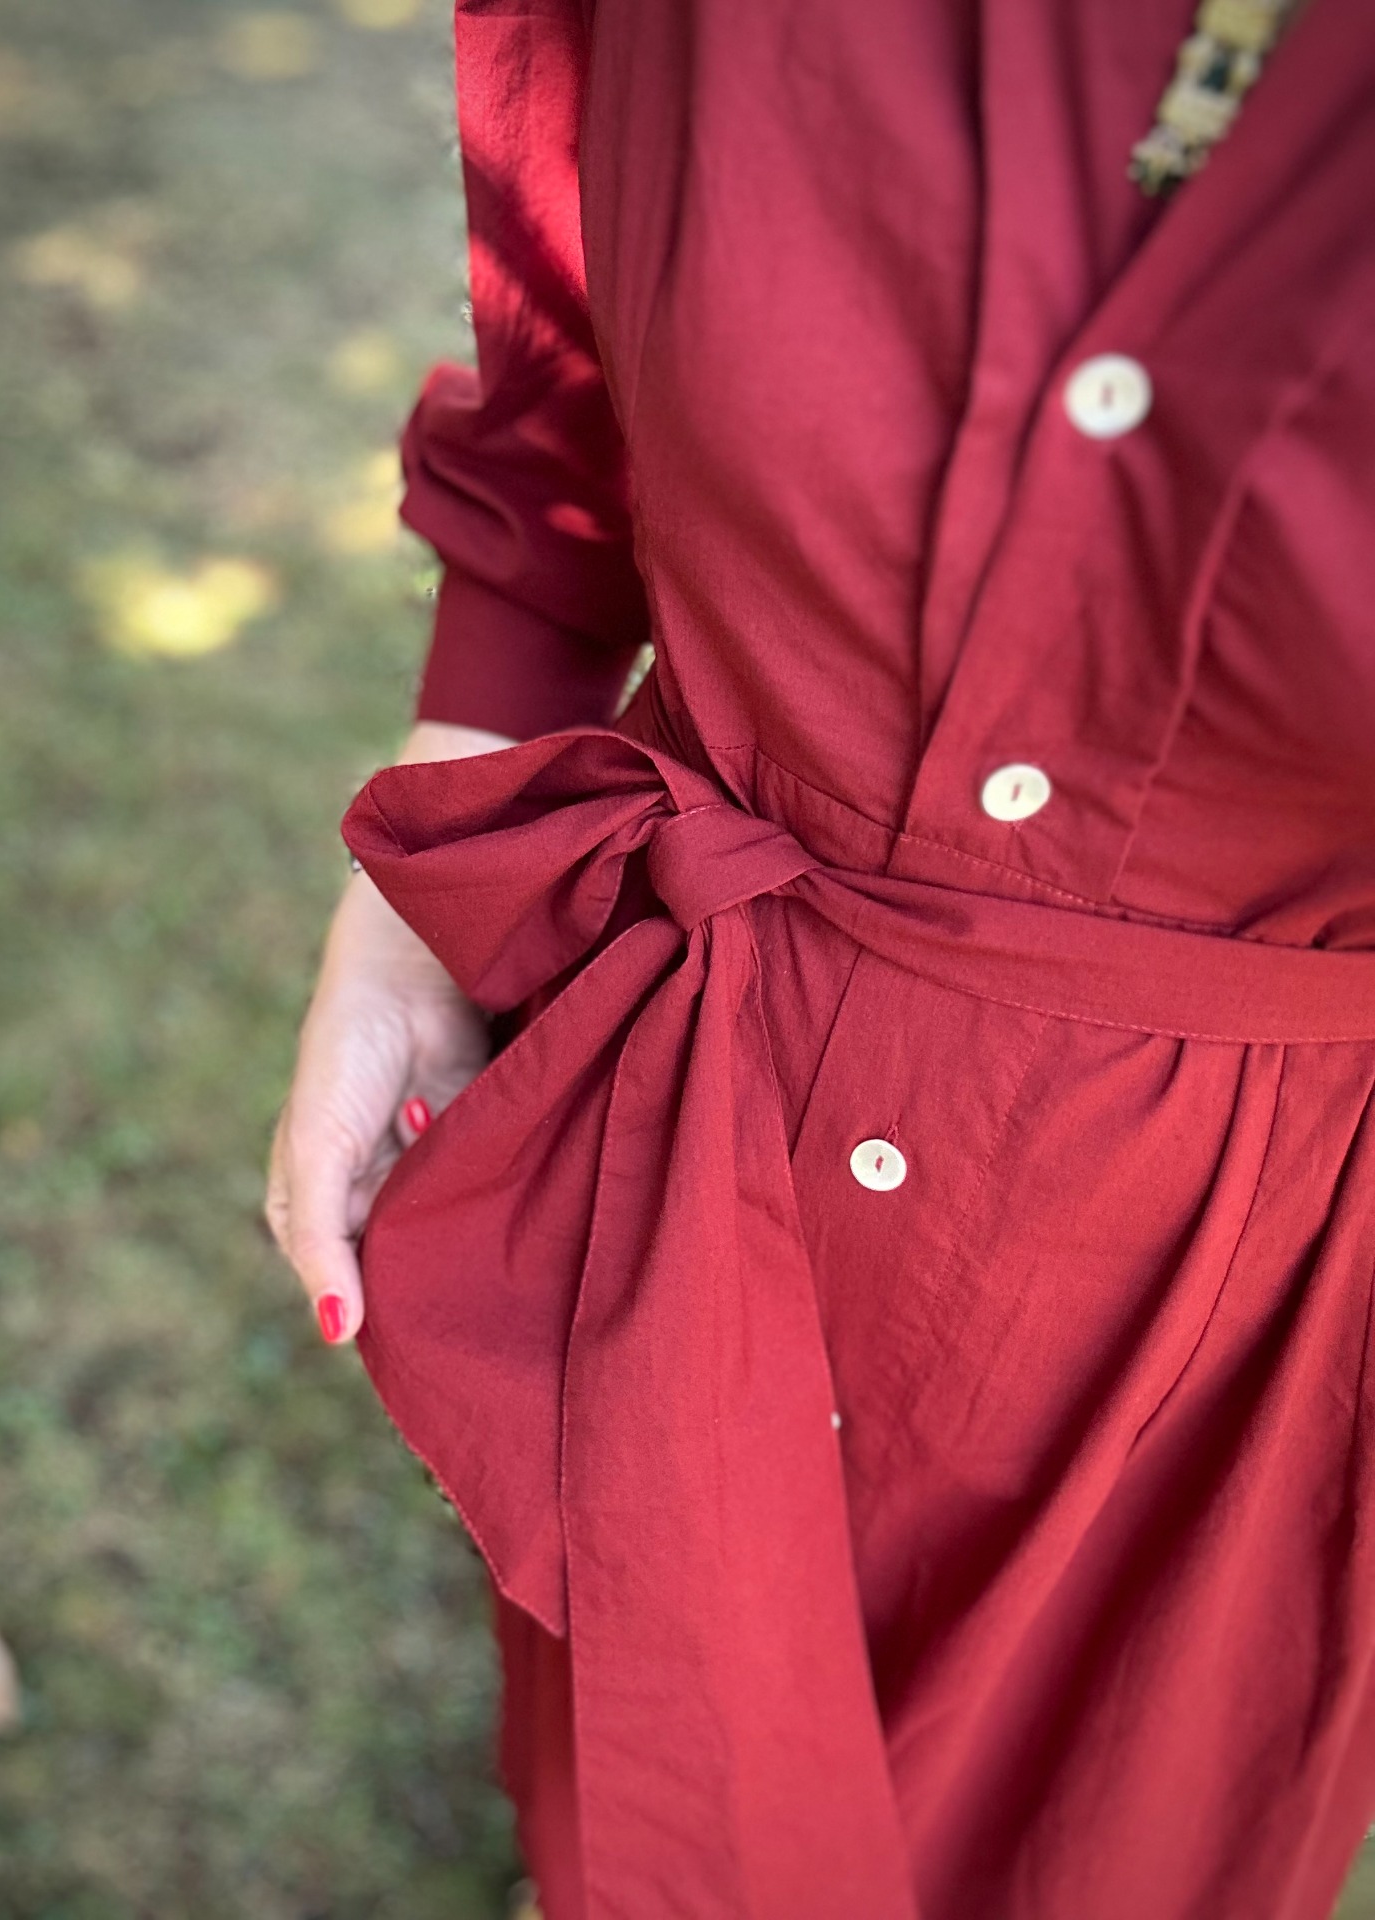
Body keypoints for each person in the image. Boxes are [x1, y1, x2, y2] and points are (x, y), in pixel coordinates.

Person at [266, 1, 1375, 1914]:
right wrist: (422, 878)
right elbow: (571, 313)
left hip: (1245, 1285)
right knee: (643, 1790)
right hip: (689, 1083)